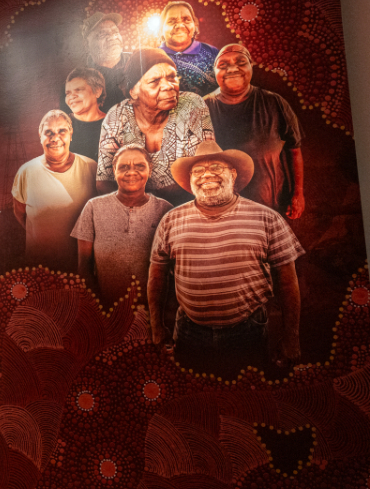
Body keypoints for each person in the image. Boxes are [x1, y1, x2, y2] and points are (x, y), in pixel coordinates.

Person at [148, 141, 304, 379]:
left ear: (233, 173)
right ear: (190, 180)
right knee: (192, 396)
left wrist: (291, 337)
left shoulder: (266, 218)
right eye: (198, 171)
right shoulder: (171, 220)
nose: (206, 175)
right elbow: (157, 276)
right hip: (189, 332)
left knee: (246, 394)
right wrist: (157, 327)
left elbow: (287, 280)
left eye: (216, 167)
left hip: (248, 331)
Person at [98, 47, 215, 206]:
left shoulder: (191, 105)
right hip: (133, 206)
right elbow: (104, 181)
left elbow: (205, 166)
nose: (168, 86)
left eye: (172, 77)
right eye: (155, 81)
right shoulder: (117, 115)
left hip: (188, 203)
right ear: (133, 91)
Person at [204, 43, 305, 218]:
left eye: (240, 62)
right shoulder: (203, 107)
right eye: (223, 65)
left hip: (270, 206)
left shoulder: (275, 102)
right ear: (214, 72)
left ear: (251, 66)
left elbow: (294, 150)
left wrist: (298, 194)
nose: (232, 69)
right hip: (220, 210)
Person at [71, 144, 172, 307]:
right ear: (114, 170)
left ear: (150, 170)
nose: (131, 172)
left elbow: (172, 268)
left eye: (139, 166)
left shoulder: (165, 210)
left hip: (153, 310)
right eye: (124, 167)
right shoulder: (93, 207)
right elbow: (84, 266)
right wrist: (97, 305)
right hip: (108, 307)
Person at [12, 110, 97, 272]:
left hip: (81, 268)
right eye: (48, 132)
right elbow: (20, 213)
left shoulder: (91, 168)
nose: (55, 138)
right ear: (40, 136)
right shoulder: (26, 172)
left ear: (71, 134)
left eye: (62, 131)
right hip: (39, 269)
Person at [159, 1, 219, 96]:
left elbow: (226, 86)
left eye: (186, 20)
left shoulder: (212, 53)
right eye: (171, 21)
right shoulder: (152, 57)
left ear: (195, 25)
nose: (180, 26)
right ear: (161, 28)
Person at [81, 12, 130, 113]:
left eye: (116, 32)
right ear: (86, 45)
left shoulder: (138, 62)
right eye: (102, 34)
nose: (112, 37)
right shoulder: (81, 80)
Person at [64, 67, 107, 161]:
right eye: (68, 93)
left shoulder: (114, 124)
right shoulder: (62, 124)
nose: (72, 96)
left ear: (98, 91)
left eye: (78, 90)